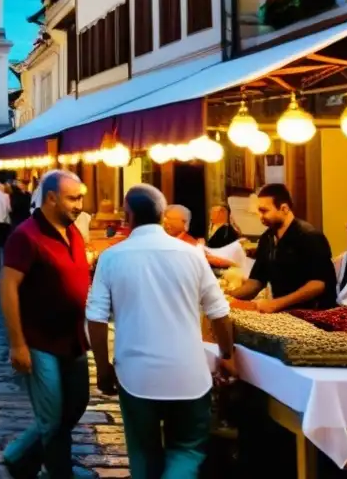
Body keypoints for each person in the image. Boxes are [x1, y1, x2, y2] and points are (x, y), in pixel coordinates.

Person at [87, 185, 236, 479]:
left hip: (136, 375)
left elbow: (96, 318)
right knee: (188, 449)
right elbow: (219, 312)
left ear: (128, 216)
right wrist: (227, 354)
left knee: (143, 451)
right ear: (162, 216)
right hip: (188, 374)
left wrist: (103, 368)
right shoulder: (192, 255)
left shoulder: (112, 257)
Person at [0, 171, 92, 478]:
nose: (80, 204)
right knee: (51, 416)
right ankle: (57, 471)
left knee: (76, 404)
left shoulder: (73, 231)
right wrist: (17, 343)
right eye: (73, 198)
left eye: (80, 197)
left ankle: (18, 455)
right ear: (51, 198)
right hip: (40, 340)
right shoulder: (26, 235)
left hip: (74, 338)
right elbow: (8, 286)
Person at [226, 183, 337, 312]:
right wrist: (228, 297)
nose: (260, 216)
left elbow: (318, 284)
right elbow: (256, 282)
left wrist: (277, 303)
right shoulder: (267, 238)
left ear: (284, 208)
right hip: (283, 312)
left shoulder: (310, 236)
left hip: (313, 314)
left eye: (264, 211)